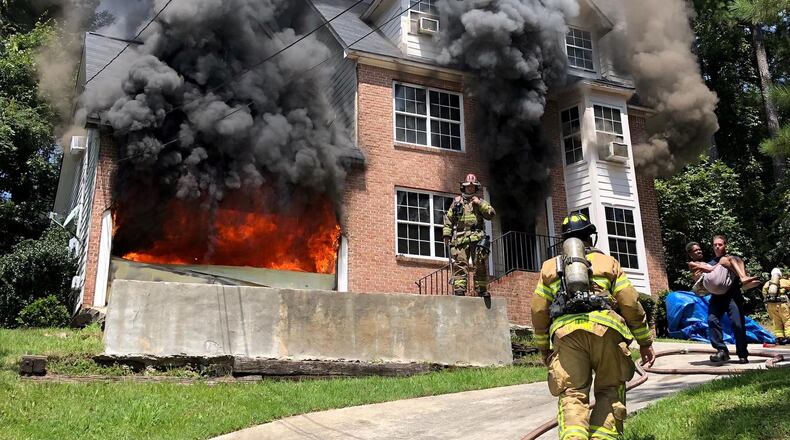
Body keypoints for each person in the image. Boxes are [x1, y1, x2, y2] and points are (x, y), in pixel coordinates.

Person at [531, 213, 655, 440]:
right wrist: (645, 341)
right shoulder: (608, 263)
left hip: (567, 336)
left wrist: (544, 349)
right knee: (609, 390)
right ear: (591, 237)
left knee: (572, 394)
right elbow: (629, 302)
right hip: (606, 331)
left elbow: (538, 311)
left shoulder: (549, 268)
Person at [442, 173, 495, 297]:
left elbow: (491, 214)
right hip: (461, 239)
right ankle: (460, 289)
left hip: (477, 238)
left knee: (480, 264)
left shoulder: (480, 202)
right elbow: (449, 219)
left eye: (472, 187)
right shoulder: (457, 202)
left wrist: (480, 204)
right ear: (464, 187)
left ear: (475, 188)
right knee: (460, 264)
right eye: (468, 187)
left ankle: (482, 290)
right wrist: (446, 235)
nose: (470, 189)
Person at [706, 235, 750, 364]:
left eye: (720, 244)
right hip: (716, 298)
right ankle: (721, 351)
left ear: (725, 245)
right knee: (711, 320)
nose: (717, 247)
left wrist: (728, 265)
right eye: (715, 245)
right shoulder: (711, 263)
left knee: (738, 324)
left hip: (732, 297)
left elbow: (742, 273)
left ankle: (742, 354)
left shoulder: (733, 259)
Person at [686, 241, 760, 294]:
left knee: (735, 259)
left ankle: (744, 280)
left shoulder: (704, 263)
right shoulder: (692, 264)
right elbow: (709, 269)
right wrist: (720, 263)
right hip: (709, 285)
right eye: (696, 250)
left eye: (699, 249)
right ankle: (743, 279)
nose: (699, 251)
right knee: (726, 259)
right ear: (690, 254)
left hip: (715, 285)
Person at [762, 268, 790, 345]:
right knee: (787, 320)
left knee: (776, 321)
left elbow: (764, 293)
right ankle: (789, 337)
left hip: (771, 305)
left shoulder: (767, 283)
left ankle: (780, 338)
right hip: (782, 304)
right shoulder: (783, 281)